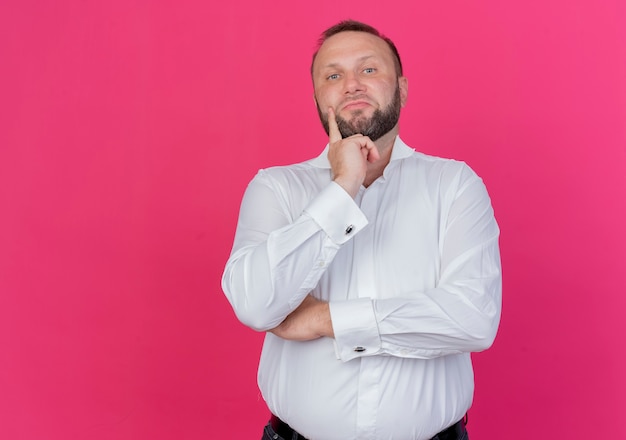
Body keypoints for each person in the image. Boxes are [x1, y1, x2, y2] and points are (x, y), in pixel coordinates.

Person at [221, 20, 501, 440]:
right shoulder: (275, 188)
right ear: (319, 98)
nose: (351, 84)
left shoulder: (455, 185)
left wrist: (322, 318)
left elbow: (473, 319)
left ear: (402, 89)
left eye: (368, 70)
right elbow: (255, 304)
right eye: (333, 75)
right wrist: (342, 188)